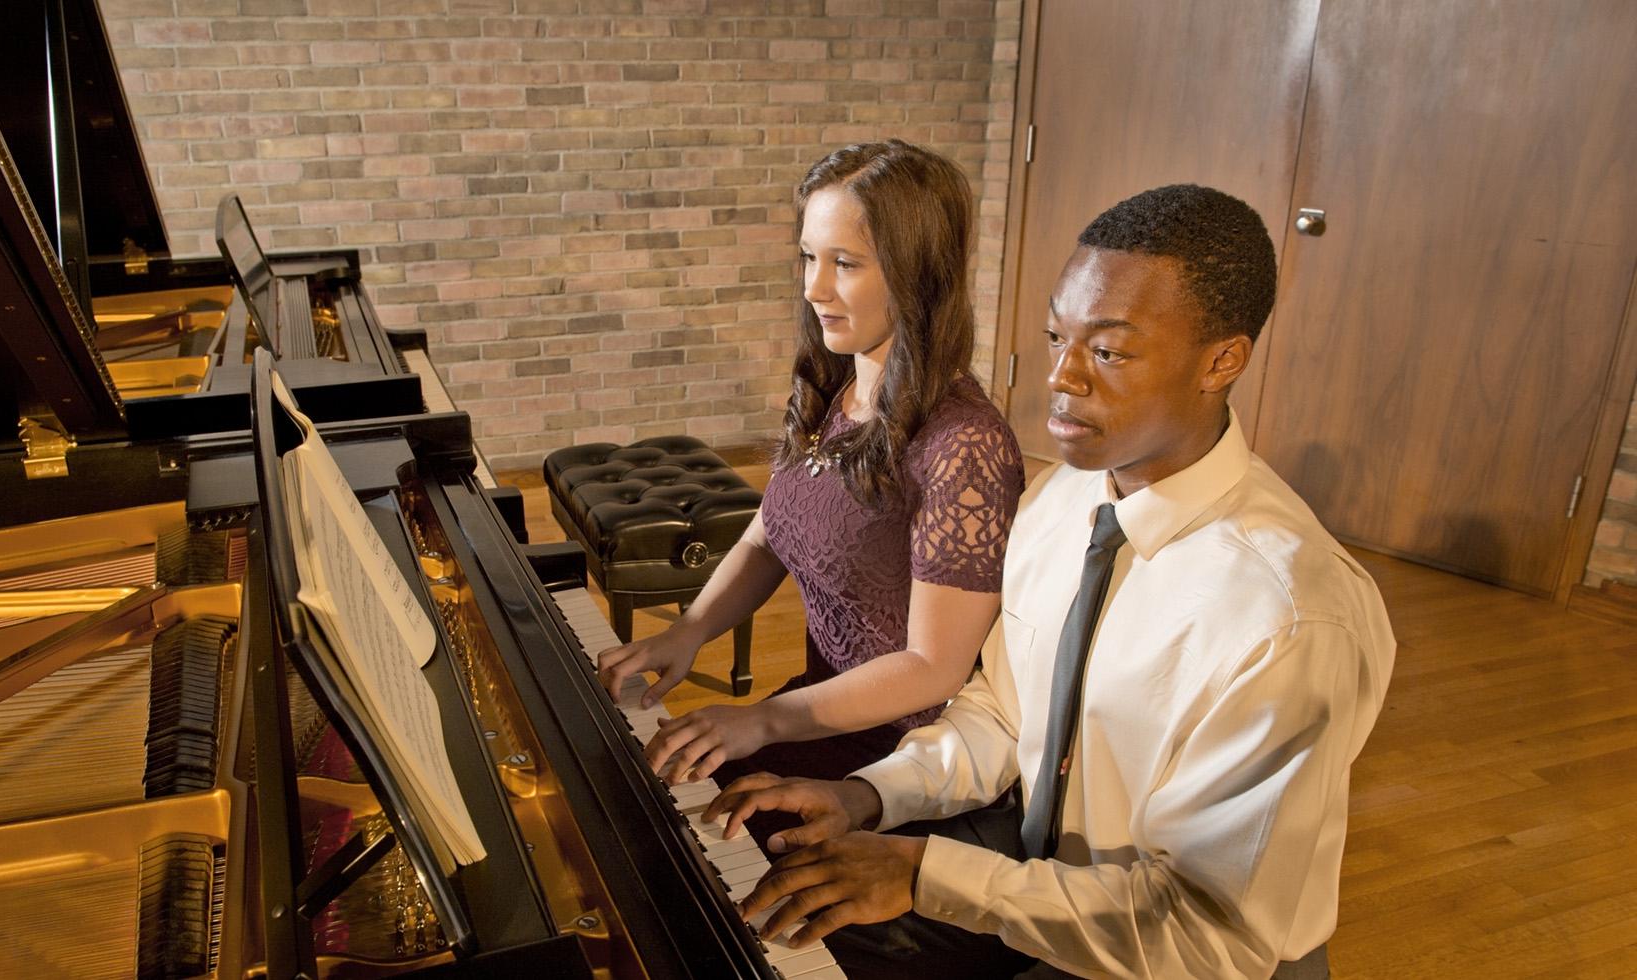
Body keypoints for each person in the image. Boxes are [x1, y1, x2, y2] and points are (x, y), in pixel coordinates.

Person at [705, 184, 1396, 979]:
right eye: (1055, 337)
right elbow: (1002, 713)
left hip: (1178, 957)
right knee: (770, 911)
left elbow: (1212, 933)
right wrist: (868, 797)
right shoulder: (1058, 502)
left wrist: (924, 875)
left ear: (1222, 361)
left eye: (1107, 351)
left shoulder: (1287, 618)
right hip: (1042, 885)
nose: (1061, 376)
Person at [597, 140, 1025, 788]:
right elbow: (770, 534)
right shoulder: (836, 390)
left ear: (919, 275)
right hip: (820, 714)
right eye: (808, 257)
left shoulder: (965, 448)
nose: (814, 287)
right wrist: (688, 631)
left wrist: (763, 721)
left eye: (845, 264)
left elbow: (934, 668)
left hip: (902, 769)